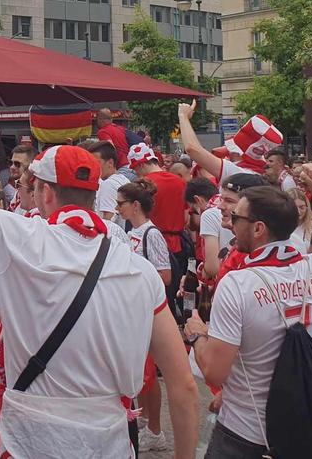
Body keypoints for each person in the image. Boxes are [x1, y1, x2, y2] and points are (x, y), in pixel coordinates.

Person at [0, 125, 199, 458]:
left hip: (27, 442)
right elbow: (184, 385)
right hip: (109, 442)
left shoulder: (17, 240)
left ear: (45, 193)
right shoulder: (139, 270)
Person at [184, 173, 312, 458]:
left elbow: (214, 370)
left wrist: (197, 334)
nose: (231, 223)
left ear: (259, 228)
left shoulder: (238, 284)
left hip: (246, 434)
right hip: (304, 429)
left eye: (236, 218)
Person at [116, 179, 172, 452]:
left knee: (150, 375)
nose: (117, 209)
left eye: (120, 204)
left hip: (148, 311)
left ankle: (155, 430)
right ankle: (146, 418)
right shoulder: (132, 231)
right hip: (133, 311)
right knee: (141, 371)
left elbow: (165, 275)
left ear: (135, 205)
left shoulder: (152, 234)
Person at [127, 143, 189, 268]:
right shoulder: (180, 181)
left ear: (142, 165)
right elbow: (186, 216)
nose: (136, 173)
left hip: (151, 245)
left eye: (135, 169)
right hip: (178, 244)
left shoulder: (143, 185)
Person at [90, 140, 130, 223]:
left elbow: (108, 221)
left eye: (96, 163)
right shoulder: (124, 179)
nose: (93, 167)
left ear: (110, 163)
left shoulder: (108, 184)